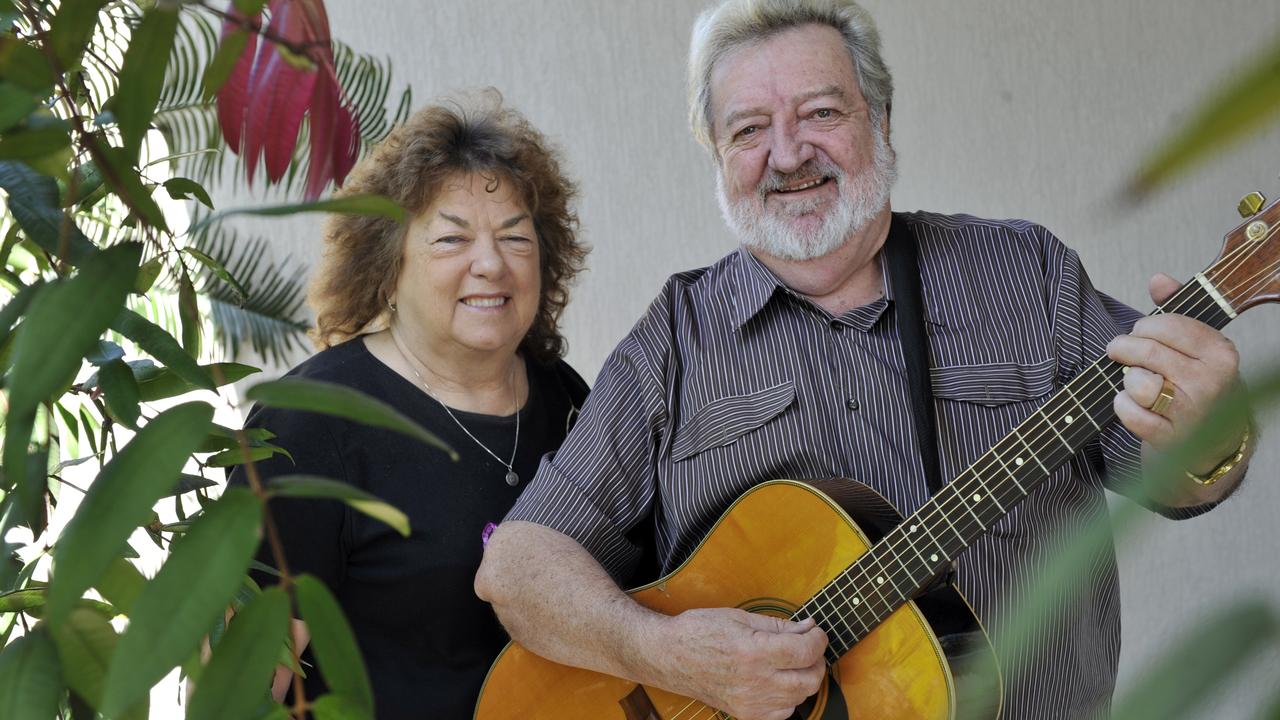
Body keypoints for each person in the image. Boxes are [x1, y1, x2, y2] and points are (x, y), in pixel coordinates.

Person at [473, 2, 1253, 719]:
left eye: (820, 112)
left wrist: (1209, 430)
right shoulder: (674, 341)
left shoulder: (1025, 273)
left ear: (878, 117)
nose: (787, 153)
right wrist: (669, 654)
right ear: (717, 154)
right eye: (748, 129)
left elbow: (1174, 475)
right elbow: (517, 567)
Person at [229, 93, 590, 719]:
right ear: (387, 269)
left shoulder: (568, 397)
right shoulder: (309, 427)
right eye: (452, 239)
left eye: (515, 237)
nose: (491, 264)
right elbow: (235, 691)